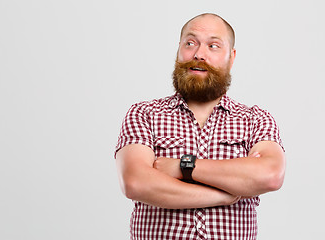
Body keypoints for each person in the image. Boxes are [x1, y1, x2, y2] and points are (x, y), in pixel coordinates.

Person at [115, 13, 285, 240]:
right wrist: (223, 195)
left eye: (213, 46)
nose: (198, 54)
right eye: (190, 43)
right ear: (178, 50)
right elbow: (136, 182)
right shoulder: (144, 114)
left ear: (231, 57)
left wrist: (182, 167)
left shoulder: (255, 119)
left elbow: (270, 175)